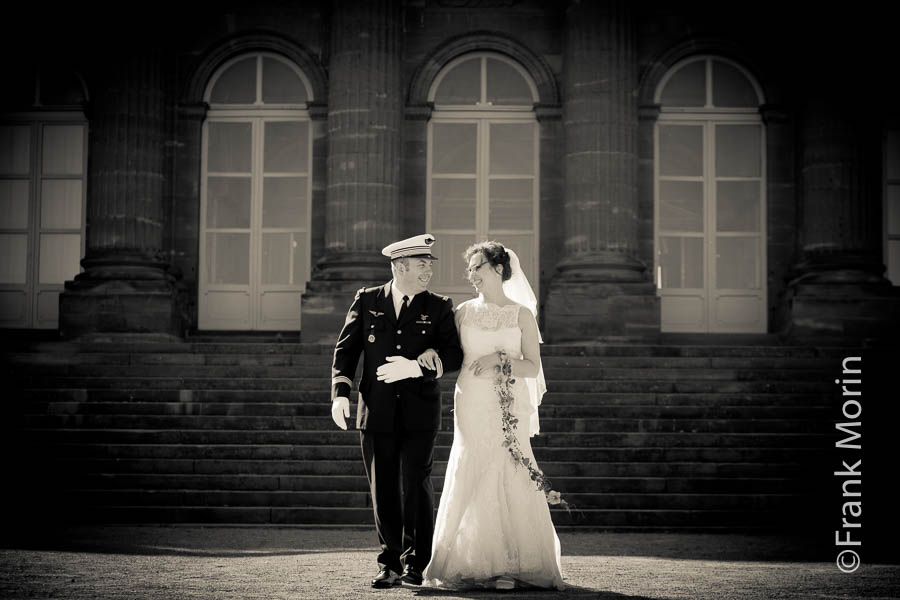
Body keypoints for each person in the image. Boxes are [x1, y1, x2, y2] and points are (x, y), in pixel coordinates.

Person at [421, 240, 565, 590]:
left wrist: (500, 361)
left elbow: (532, 367)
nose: (471, 275)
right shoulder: (463, 313)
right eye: (469, 269)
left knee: (507, 468)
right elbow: (448, 353)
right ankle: (468, 561)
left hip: (507, 404)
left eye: (477, 267)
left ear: (499, 269)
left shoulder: (521, 315)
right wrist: (429, 351)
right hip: (470, 400)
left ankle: (509, 564)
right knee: (471, 466)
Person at [330, 234, 464, 589]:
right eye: (422, 265)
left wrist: (417, 368)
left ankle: (416, 563)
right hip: (376, 410)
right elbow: (346, 350)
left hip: (420, 410)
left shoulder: (439, 306)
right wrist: (340, 394)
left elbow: (454, 355)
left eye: (430, 265)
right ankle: (388, 562)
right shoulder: (368, 299)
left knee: (416, 486)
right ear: (399, 266)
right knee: (383, 488)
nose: (428, 271)